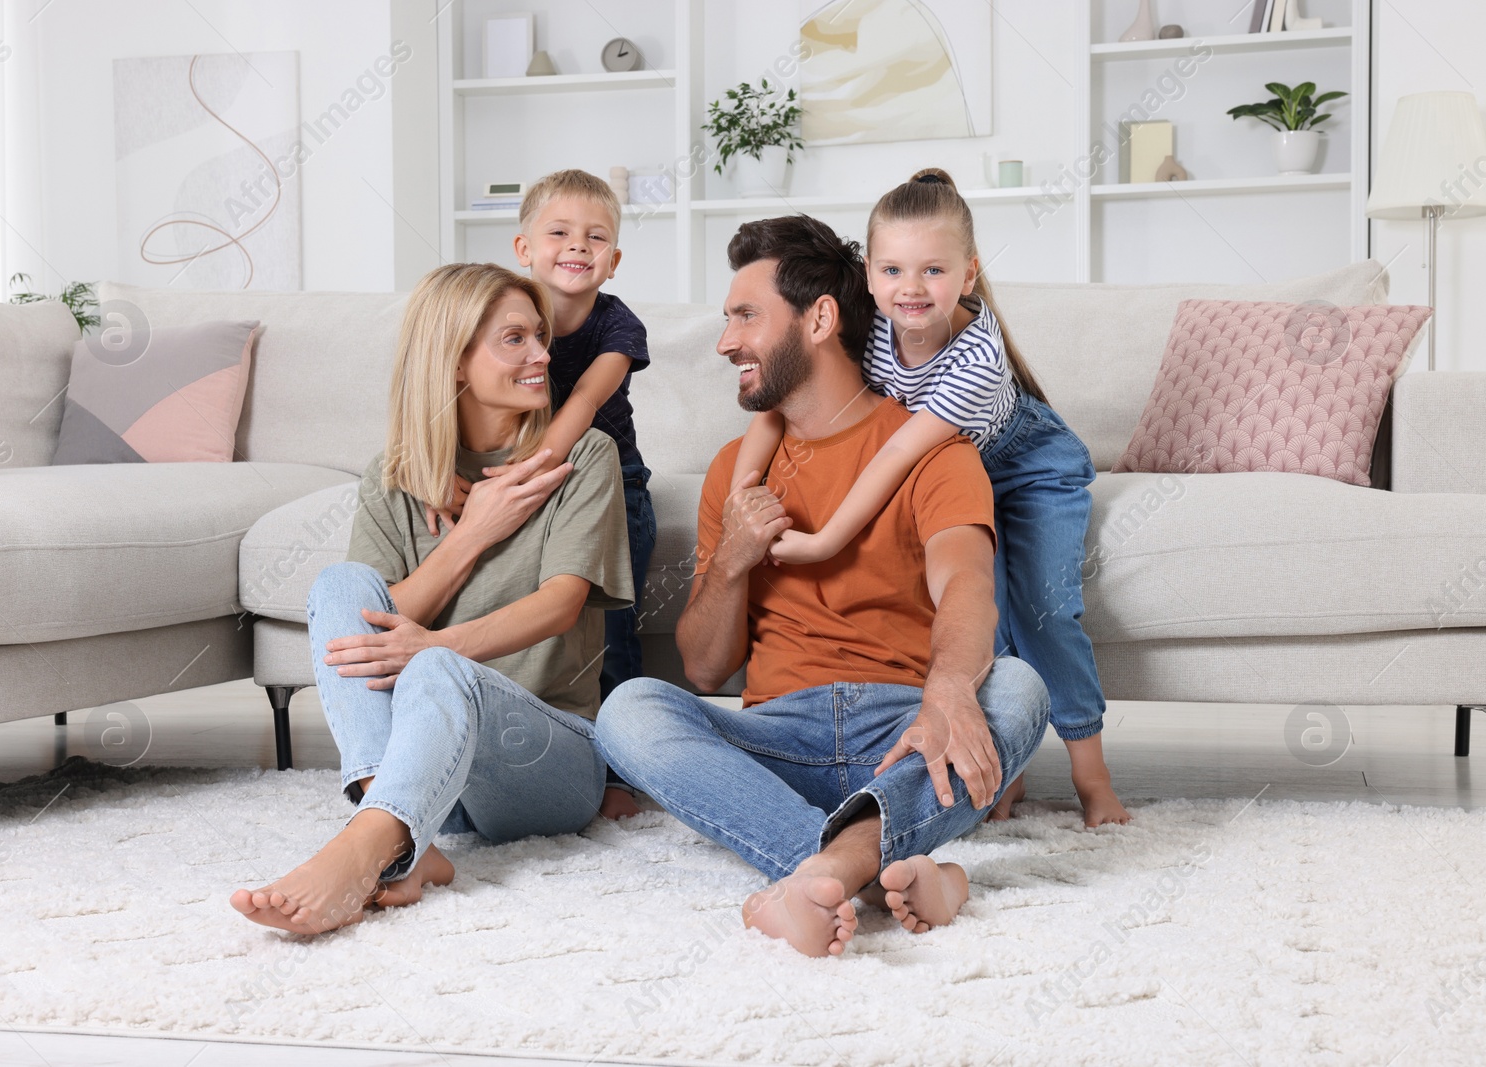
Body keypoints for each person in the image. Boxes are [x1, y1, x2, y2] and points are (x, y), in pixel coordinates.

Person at [593, 215, 1050, 958]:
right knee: (629, 710)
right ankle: (870, 869)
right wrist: (733, 560)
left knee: (1020, 688)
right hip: (777, 738)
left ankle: (823, 871)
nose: (725, 341)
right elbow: (706, 668)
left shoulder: (935, 452)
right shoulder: (733, 471)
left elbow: (967, 584)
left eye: (746, 316)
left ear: (821, 319)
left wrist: (946, 693)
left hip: (904, 736)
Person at [231, 263, 634, 935]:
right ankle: (399, 830)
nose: (542, 354)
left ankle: (370, 844)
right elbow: (368, 618)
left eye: (540, 336)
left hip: (541, 765)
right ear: (453, 363)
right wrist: (471, 534)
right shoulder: (393, 478)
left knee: (439, 666)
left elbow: (560, 606)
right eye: (515, 339)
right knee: (338, 584)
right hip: (433, 779)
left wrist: (436, 647)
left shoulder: (581, 457)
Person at [729, 169, 1128, 828]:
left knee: (1044, 612)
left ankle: (1094, 778)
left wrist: (823, 540)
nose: (910, 289)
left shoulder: (977, 365)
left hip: (1021, 468)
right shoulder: (868, 320)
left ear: (968, 274)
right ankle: (1007, 773)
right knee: (981, 620)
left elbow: (894, 455)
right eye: (892, 270)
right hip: (944, 470)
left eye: (933, 271)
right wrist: (742, 496)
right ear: (868, 274)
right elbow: (779, 400)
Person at [426, 170, 656, 720]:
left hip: (609, 481)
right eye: (559, 233)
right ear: (523, 248)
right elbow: (448, 392)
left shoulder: (619, 327)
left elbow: (581, 402)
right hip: (524, 474)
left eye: (596, 237)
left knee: (613, 627)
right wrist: (436, 473)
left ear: (614, 260)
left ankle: (621, 760)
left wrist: (522, 472)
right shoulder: (502, 312)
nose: (579, 244)